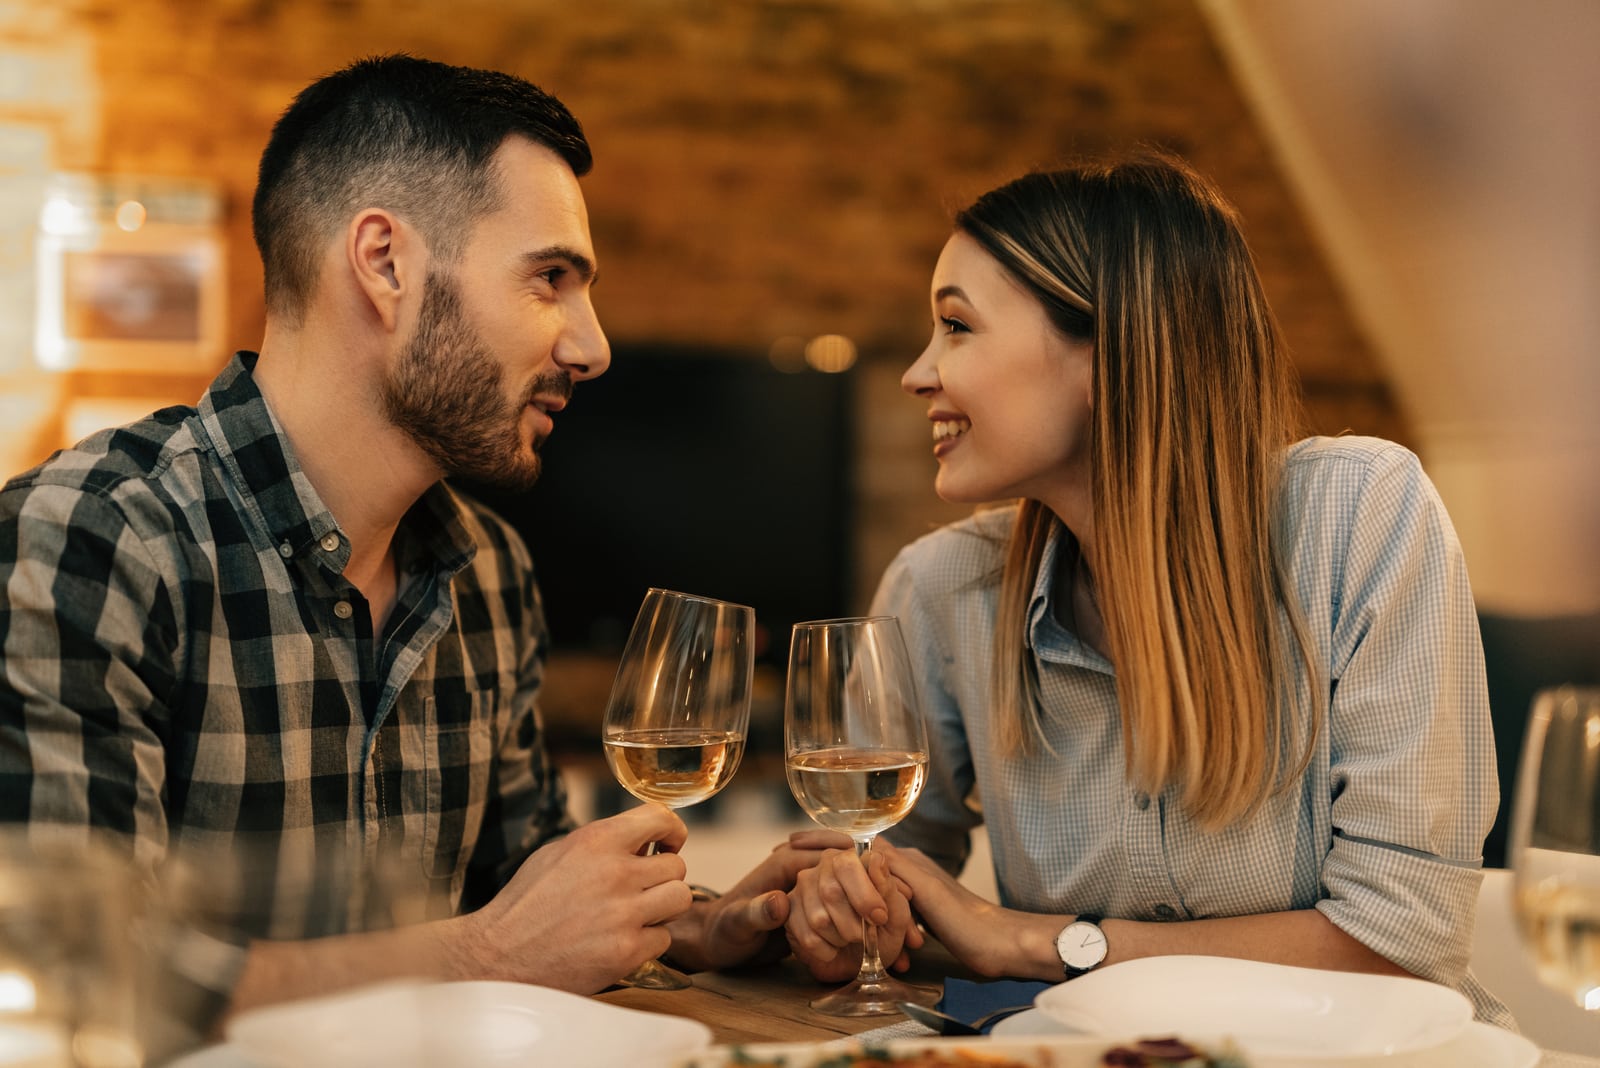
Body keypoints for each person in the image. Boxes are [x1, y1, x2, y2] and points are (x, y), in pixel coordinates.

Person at [0, 53, 835, 1041]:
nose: (590, 344)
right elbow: (71, 966)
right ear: (385, 262)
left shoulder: (487, 570)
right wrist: (481, 955)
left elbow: (527, 881)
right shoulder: (93, 540)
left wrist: (705, 926)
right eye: (551, 279)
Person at [783, 152, 1513, 1026]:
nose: (918, 372)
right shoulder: (939, 590)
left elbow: (1405, 942)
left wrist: (1038, 940)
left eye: (957, 327)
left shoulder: (1361, 518)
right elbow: (881, 880)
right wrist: (842, 914)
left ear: (1108, 352)